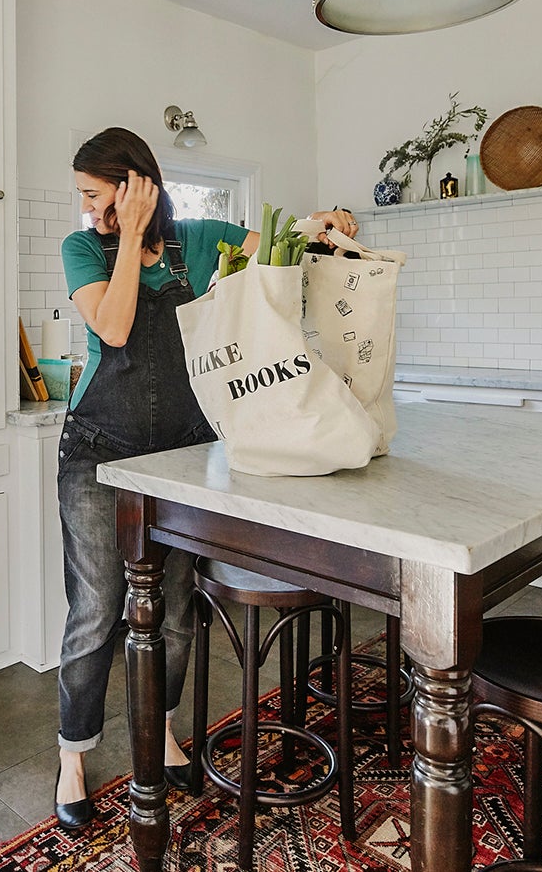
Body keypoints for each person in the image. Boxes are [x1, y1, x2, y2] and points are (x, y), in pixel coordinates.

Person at [53, 126, 358, 829]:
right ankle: (73, 754)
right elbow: (117, 327)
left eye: (96, 195)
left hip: (183, 456)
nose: (87, 209)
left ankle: (159, 729)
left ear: (136, 185)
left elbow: (275, 245)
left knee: (179, 607)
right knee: (98, 609)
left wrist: (324, 224)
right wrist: (124, 236)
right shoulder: (85, 250)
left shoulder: (195, 239)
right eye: (84, 198)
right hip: (98, 451)